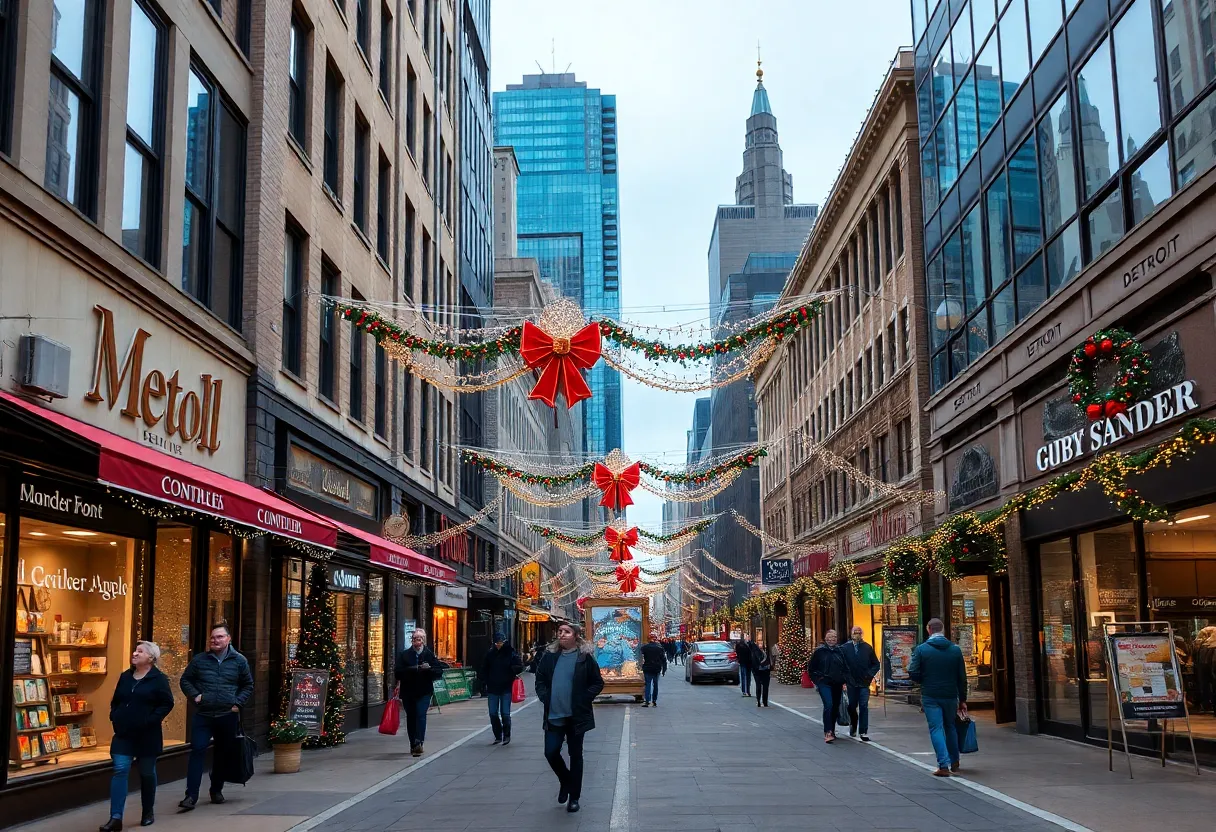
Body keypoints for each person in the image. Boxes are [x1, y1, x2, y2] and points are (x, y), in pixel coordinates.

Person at [178, 622, 253, 811]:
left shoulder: (239, 661)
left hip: (227, 714)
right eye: (212, 637)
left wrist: (237, 704)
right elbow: (185, 679)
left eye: (219, 637)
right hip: (203, 714)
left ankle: (216, 789)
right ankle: (190, 796)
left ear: (228, 639)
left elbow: (248, 685)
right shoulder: (200, 660)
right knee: (197, 750)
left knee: (222, 754)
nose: (215, 640)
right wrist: (196, 695)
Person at [100, 642, 174, 830]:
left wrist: (150, 720)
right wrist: (115, 716)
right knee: (120, 769)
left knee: (147, 773)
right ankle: (115, 818)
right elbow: (116, 700)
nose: (135, 653)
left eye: (140, 651)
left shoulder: (158, 679)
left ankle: (147, 811)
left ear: (151, 658)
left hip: (147, 735)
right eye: (135, 650)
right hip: (124, 734)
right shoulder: (125, 677)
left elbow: (167, 703)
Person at [535, 621, 605, 814]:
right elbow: (540, 679)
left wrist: (584, 698)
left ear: (576, 635)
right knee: (551, 752)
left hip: (576, 716)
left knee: (576, 756)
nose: (562, 634)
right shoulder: (549, 656)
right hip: (554, 714)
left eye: (567, 631)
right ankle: (566, 780)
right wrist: (545, 697)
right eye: (560, 631)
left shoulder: (584, 657)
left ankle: (574, 797)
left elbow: (597, 683)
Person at [908, 618, 968, 776]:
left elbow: (913, 672)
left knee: (936, 728)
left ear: (929, 629)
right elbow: (962, 677)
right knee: (950, 726)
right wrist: (962, 699)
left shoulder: (921, 650)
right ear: (942, 630)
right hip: (950, 694)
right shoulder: (955, 650)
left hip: (930, 694)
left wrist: (924, 680)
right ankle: (955, 760)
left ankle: (943, 765)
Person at [394, 628, 448, 757]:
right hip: (408, 691)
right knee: (411, 717)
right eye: (414, 639)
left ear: (423, 640)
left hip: (424, 691)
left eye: (418, 639)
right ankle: (413, 743)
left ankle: (419, 742)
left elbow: (438, 671)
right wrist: (415, 669)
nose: (416, 642)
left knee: (420, 714)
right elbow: (398, 673)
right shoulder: (404, 655)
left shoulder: (429, 655)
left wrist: (428, 670)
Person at [480, 631, 523, 745]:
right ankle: (498, 735)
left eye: (500, 642)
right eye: (496, 643)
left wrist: (512, 671)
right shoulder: (490, 654)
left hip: (506, 687)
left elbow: (519, 666)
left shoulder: (511, 653)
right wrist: (484, 682)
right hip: (493, 687)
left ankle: (507, 735)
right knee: (493, 713)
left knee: (505, 713)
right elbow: (484, 669)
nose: (498, 645)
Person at [807, 629, 848, 743]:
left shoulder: (840, 651)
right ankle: (828, 731)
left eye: (834, 637)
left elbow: (846, 667)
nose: (832, 639)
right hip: (824, 683)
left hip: (837, 683)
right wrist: (817, 680)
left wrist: (844, 680)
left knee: (835, 707)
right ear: (825, 638)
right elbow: (811, 668)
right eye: (829, 637)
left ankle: (832, 730)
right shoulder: (819, 651)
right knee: (828, 705)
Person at [843, 626, 880, 741]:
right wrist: (845, 677)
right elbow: (841, 663)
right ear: (851, 633)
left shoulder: (867, 648)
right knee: (852, 706)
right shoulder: (845, 648)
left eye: (859, 632)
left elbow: (876, 664)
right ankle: (853, 724)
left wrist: (869, 675)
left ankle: (863, 731)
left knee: (864, 706)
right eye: (855, 632)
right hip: (851, 683)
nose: (857, 634)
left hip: (864, 682)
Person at [640, 632, 667, 707]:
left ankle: (647, 701)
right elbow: (664, 660)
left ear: (648, 639)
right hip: (656, 668)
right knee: (655, 685)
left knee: (648, 684)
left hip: (647, 668)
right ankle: (654, 701)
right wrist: (664, 669)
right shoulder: (660, 648)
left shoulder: (644, 648)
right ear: (655, 639)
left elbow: (641, 657)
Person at [750, 633, 772, 707]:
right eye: (759, 644)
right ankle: (758, 700)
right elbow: (754, 662)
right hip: (758, 671)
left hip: (766, 671)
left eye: (762, 644)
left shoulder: (766, 652)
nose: (761, 645)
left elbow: (769, 660)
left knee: (765, 687)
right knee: (758, 686)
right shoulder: (755, 652)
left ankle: (765, 702)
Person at [736, 632, 753, 697]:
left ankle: (747, 690)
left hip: (749, 662)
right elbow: (738, 652)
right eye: (746, 636)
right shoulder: (740, 645)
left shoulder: (750, 644)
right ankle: (744, 691)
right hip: (743, 661)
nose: (747, 637)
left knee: (748, 677)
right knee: (744, 676)